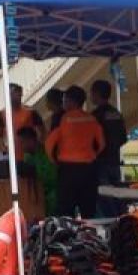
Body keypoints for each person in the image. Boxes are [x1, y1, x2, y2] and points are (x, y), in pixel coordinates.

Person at [44, 85, 103, 217]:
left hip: (68, 169)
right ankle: (88, 235)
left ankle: (68, 236)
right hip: (88, 169)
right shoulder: (91, 119)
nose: (63, 103)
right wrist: (93, 155)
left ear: (71, 101)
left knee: (66, 210)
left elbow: (49, 144)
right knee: (88, 209)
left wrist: (54, 160)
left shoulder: (61, 120)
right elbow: (102, 143)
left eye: (65, 100)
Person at [90, 80, 127, 214]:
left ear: (97, 94)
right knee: (118, 196)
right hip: (115, 161)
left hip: (100, 162)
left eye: (92, 93)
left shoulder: (95, 116)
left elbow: (92, 140)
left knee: (104, 199)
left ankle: (111, 226)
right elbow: (123, 137)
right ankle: (122, 219)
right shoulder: (116, 113)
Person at [17, 126, 57, 215]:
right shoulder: (27, 156)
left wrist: (36, 174)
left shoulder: (46, 153)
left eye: (22, 142)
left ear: (30, 140)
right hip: (35, 195)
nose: (20, 146)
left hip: (52, 196)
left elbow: (52, 177)